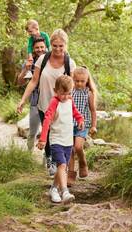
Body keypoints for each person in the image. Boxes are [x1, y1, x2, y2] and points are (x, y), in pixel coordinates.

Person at [17, 29, 76, 176]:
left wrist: (74, 110)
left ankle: (60, 163)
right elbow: (33, 81)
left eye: (61, 46)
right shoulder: (42, 60)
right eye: (55, 45)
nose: (57, 49)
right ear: (51, 45)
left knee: (59, 134)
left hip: (62, 107)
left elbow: (72, 88)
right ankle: (50, 161)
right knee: (48, 133)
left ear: (65, 45)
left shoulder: (70, 63)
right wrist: (23, 100)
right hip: (44, 105)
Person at [37, 75, 84, 203]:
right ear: (55, 90)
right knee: (62, 165)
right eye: (62, 94)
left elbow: (75, 112)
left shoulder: (69, 100)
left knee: (63, 168)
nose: (65, 96)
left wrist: (80, 119)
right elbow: (47, 120)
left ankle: (53, 189)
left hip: (68, 140)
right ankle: (64, 192)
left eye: (68, 93)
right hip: (56, 139)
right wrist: (43, 139)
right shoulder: (54, 102)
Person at [67, 67, 98, 186]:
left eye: (82, 81)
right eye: (76, 81)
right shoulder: (70, 91)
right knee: (70, 150)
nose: (79, 83)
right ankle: (70, 174)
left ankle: (83, 162)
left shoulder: (88, 93)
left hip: (82, 125)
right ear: (73, 80)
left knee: (78, 147)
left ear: (87, 81)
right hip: (69, 124)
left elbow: (93, 111)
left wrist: (93, 126)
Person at [17, 37, 46, 151]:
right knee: (32, 132)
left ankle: (46, 161)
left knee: (48, 132)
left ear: (46, 47)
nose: (40, 49)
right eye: (37, 48)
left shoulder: (51, 60)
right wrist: (25, 69)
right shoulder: (29, 61)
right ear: (33, 49)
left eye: (42, 47)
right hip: (35, 100)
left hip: (50, 100)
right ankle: (28, 156)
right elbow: (20, 82)